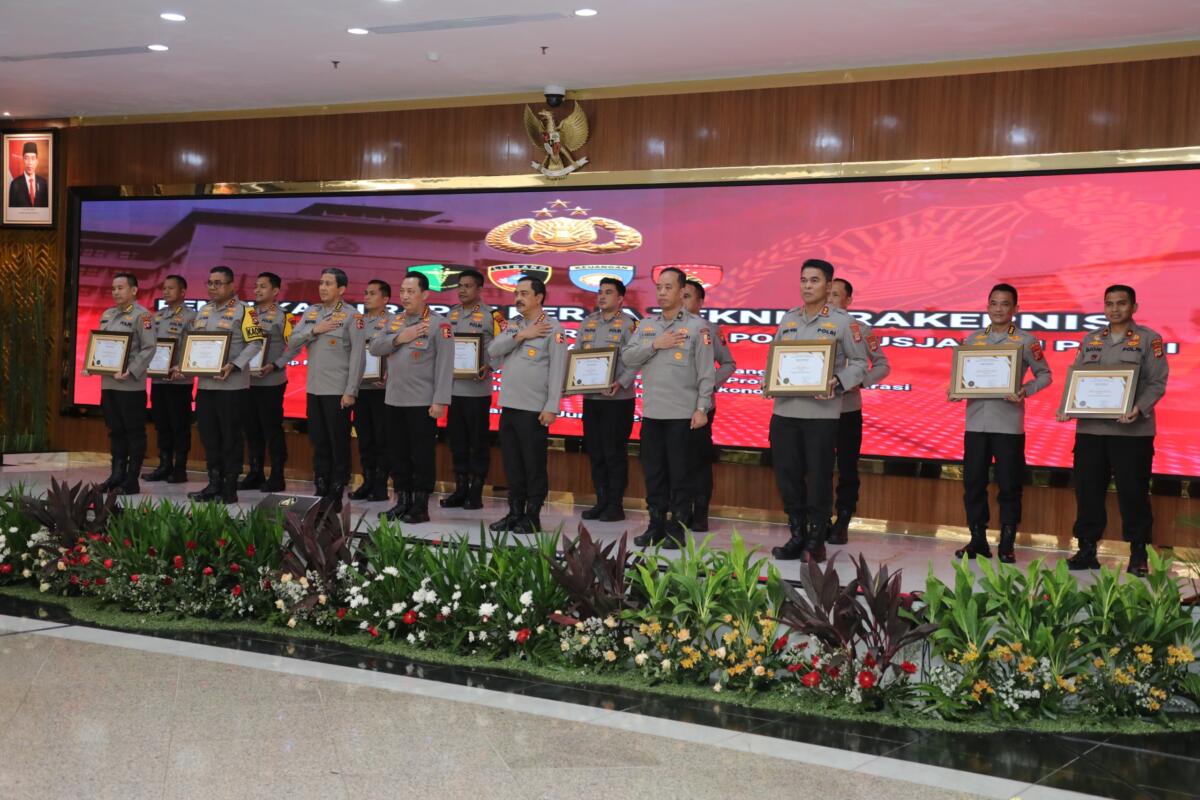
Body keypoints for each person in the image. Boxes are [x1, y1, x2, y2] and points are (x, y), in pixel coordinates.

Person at [1058, 285, 1168, 576]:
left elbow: (1157, 383)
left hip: (1132, 432)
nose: (1115, 309)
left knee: (1133, 493)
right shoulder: (1091, 339)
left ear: (1134, 307)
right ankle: (1087, 549)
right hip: (1091, 431)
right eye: (1109, 303)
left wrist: (1139, 408)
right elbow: (1077, 377)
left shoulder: (1149, 340)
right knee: (1088, 490)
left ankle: (1138, 553)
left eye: (1121, 303)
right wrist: (1066, 406)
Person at [768, 259, 869, 563]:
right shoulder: (788, 319)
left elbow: (860, 363)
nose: (807, 286)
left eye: (814, 280)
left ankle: (816, 540)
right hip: (785, 411)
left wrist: (838, 381)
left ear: (828, 286)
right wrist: (768, 381)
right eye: (804, 280)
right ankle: (797, 534)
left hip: (821, 414)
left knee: (819, 478)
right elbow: (776, 356)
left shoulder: (843, 322)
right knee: (787, 476)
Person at [949, 283, 1052, 563]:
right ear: (987, 307)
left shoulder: (1026, 341)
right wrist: (955, 390)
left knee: (1009, 485)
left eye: (1005, 304)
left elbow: (1045, 375)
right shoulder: (972, 340)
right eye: (993, 303)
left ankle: (1007, 543)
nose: (998, 309)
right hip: (976, 423)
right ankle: (978, 540)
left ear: (1015, 308)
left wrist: (1025, 390)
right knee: (973, 483)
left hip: (1008, 424)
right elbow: (962, 376)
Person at [622, 267, 716, 548]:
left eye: (668, 287)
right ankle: (655, 525)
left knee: (680, 475)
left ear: (681, 291)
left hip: (682, 416)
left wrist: (702, 408)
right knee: (654, 474)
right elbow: (628, 357)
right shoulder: (647, 326)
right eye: (659, 287)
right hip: (653, 414)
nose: (662, 293)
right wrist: (655, 344)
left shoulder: (698, 328)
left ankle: (677, 528)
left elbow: (706, 373)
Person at [276, 268, 364, 509]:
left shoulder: (352, 316)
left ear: (341, 289)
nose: (322, 287)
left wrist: (351, 391)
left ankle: (336, 491)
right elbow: (293, 340)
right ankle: (321, 487)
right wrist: (315, 330)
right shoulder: (312, 312)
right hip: (314, 388)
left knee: (338, 443)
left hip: (338, 391)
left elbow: (358, 356)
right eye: (321, 283)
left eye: (328, 284)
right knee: (319, 441)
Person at [486, 275, 567, 534]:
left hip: (534, 409)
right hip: (509, 406)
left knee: (533, 466)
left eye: (524, 293)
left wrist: (552, 406)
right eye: (516, 294)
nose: (518, 298)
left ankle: (532, 517)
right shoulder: (515, 326)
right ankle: (514, 513)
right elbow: (493, 350)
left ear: (539, 297)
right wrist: (522, 335)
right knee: (512, 464)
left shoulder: (553, 329)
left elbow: (558, 370)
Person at [370, 273, 453, 523]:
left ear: (425, 294)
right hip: (394, 399)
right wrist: (400, 338)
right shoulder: (394, 321)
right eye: (402, 291)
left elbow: (445, 365)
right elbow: (375, 347)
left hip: (422, 402)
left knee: (422, 455)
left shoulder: (439, 324)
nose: (405, 296)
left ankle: (420, 506)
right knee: (398, 454)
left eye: (411, 291)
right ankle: (402, 501)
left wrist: (440, 401)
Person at [182, 266, 265, 503]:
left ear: (231, 286)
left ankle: (229, 489)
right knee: (209, 437)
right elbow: (194, 342)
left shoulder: (245, 311)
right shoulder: (203, 311)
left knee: (231, 438)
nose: (212, 287)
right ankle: (213, 484)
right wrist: (185, 363)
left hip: (232, 387)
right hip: (206, 386)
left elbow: (256, 342)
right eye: (209, 283)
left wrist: (235, 365)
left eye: (218, 283)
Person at [825, 277, 890, 544]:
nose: (829, 300)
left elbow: (882, 365)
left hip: (847, 410)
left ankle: (843, 519)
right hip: (815, 410)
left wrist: (860, 382)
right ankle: (819, 519)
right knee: (817, 467)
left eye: (835, 295)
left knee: (847, 469)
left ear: (848, 300)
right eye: (827, 294)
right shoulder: (811, 328)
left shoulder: (860, 330)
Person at [84, 273, 156, 495]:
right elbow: (101, 345)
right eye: (113, 288)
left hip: (130, 385)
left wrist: (131, 369)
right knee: (115, 431)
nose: (116, 292)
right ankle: (116, 476)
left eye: (120, 288)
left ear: (134, 290)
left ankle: (131, 479)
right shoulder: (107, 314)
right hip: (108, 383)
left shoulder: (143, 316)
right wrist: (91, 364)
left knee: (133, 432)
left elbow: (149, 347)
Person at [440, 269, 505, 511]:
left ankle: (476, 492)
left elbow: (505, 346)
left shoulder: (493, 316)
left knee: (478, 443)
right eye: (460, 286)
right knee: (457, 443)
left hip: (478, 392)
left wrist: (491, 366)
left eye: (468, 286)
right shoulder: (452, 314)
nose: (462, 290)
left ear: (479, 289)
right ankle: (460, 489)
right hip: (454, 390)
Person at [578, 277, 639, 523]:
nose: (602, 296)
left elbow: (637, 359)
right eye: (600, 292)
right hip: (592, 398)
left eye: (608, 292)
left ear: (621, 299)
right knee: (596, 452)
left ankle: (615, 505)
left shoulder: (630, 324)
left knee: (614, 453)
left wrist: (621, 382)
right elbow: (577, 355)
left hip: (618, 399)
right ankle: (601, 501)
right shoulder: (588, 322)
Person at [681, 278, 735, 532]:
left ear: (700, 302)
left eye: (688, 296)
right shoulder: (664, 330)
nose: (682, 301)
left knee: (699, 461)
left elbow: (729, 364)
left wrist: (708, 384)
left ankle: (700, 513)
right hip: (671, 406)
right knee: (675, 461)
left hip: (700, 407)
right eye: (680, 295)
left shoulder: (710, 330)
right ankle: (679, 511)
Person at [240, 272, 292, 492]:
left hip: (271, 382)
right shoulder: (247, 314)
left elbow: (295, 347)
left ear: (275, 291)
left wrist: (276, 364)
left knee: (272, 430)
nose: (257, 290)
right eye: (256, 286)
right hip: (246, 381)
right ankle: (255, 473)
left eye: (263, 286)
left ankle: (277, 475)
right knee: (251, 430)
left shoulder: (285, 317)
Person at [142, 275, 196, 484]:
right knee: (162, 425)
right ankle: (164, 465)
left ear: (183, 292)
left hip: (179, 381)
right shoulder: (155, 316)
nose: (165, 291)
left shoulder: (191, 317)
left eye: (171, 288)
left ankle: (180, 468)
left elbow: (194, 346)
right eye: (164, 288)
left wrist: (183, 367)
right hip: (158, 380)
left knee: (179, 426)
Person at [348, 279, 394, 502]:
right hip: (360, 388)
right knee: (364, 438)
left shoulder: (394, 322)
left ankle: (380, 485)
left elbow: (398, 351)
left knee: (382, 438)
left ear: (385, 299)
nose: (366, 297)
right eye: (365, 293)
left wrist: (389, 373)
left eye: (372, 293)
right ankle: (367, 482)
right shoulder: (357, 321)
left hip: (382, 390)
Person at [8, 142, 49, 208]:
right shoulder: (15, 184)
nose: (30, 162)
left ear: (37, 161)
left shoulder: (43, 183)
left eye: (33, 158)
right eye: (26, 158)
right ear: (23, 160)